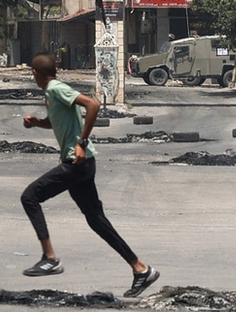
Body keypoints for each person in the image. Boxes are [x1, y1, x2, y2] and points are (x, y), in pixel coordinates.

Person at [20, 53, 160, 298]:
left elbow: (92, 104)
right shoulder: (52, 92)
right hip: (82, 165)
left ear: (35, 73)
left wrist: (81, 143)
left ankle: (50, 258)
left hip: (77, 163)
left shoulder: (55, 88)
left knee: (30, 197)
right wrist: (37, 123)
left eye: (31, 72)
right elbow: (57, 122)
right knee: (96, 219)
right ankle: (141, 269)